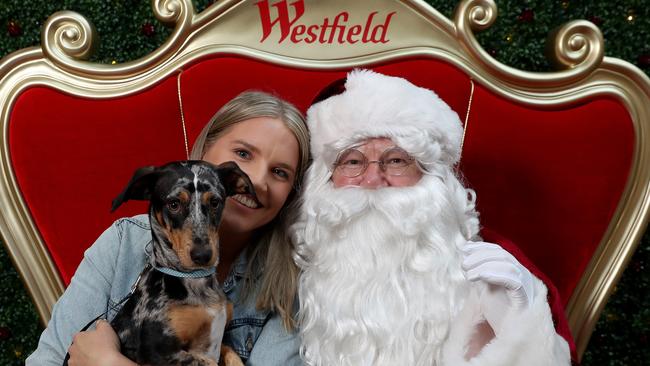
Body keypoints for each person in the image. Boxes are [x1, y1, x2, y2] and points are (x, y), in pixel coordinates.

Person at [292, 70, 572, 366]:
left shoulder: (497, 265)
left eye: (397, 160)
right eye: (352, 162)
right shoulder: (293, 264)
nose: (373, 179)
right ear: (325, 180)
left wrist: (523, 325)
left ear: (433, 177)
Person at [26, 91, 310, 366]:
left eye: (280, 172)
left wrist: (110, 362)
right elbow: (47, 361)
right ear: (206, 150)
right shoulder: (124, 242)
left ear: (292, 192)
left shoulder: (291, 286)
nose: (258, 180)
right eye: (243, 153)